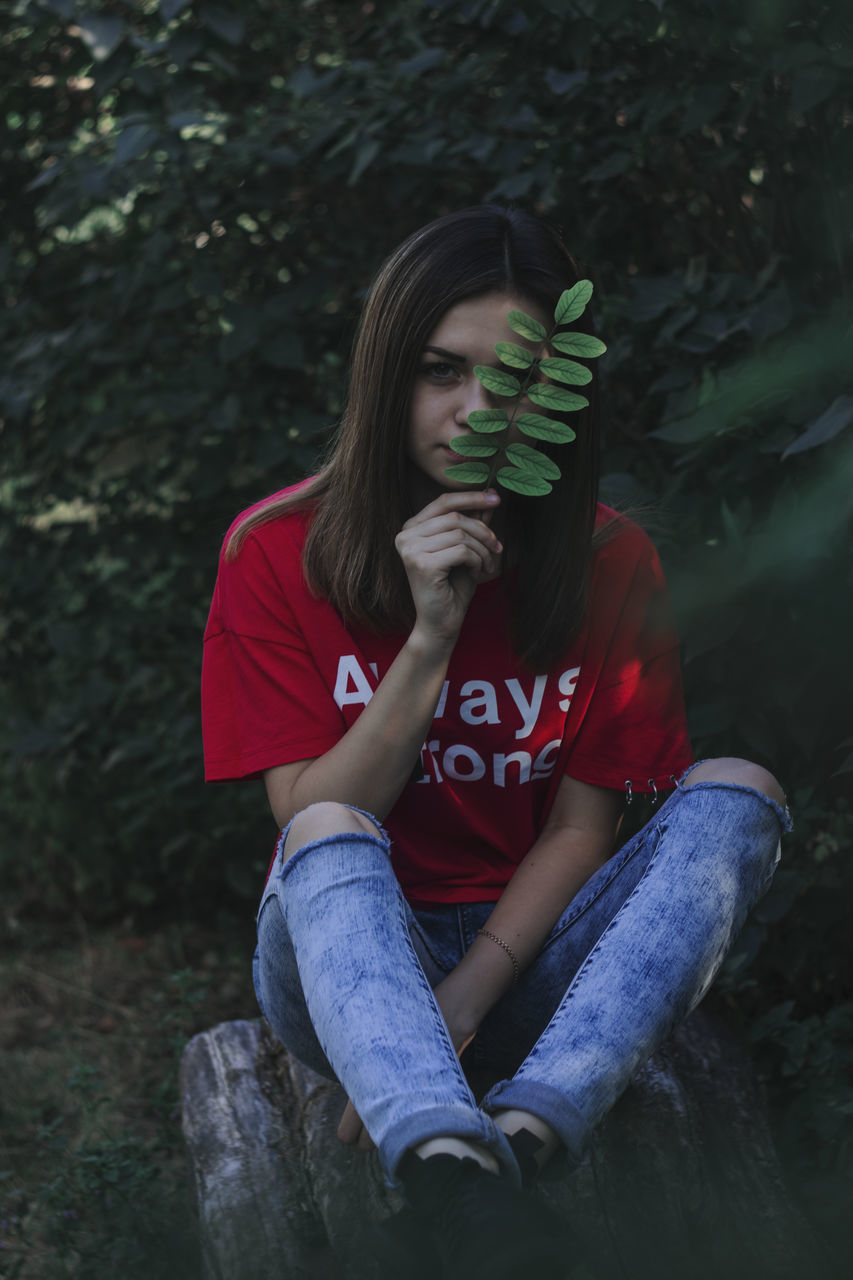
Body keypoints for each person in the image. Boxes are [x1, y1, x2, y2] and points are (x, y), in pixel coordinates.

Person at [201, 205, 791, 1280]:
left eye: (513, 379)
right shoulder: (276, 550)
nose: (476, 412)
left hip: (529, 964)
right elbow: (310, 818)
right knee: (331, 818)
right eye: (440, 371)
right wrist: (429, 634)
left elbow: (582, 825)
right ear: (389, 376)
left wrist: (470, 992)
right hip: (342, 966)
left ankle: (512, 1143)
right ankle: (439, 1153)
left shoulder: (611, 561)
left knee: (738, 789)